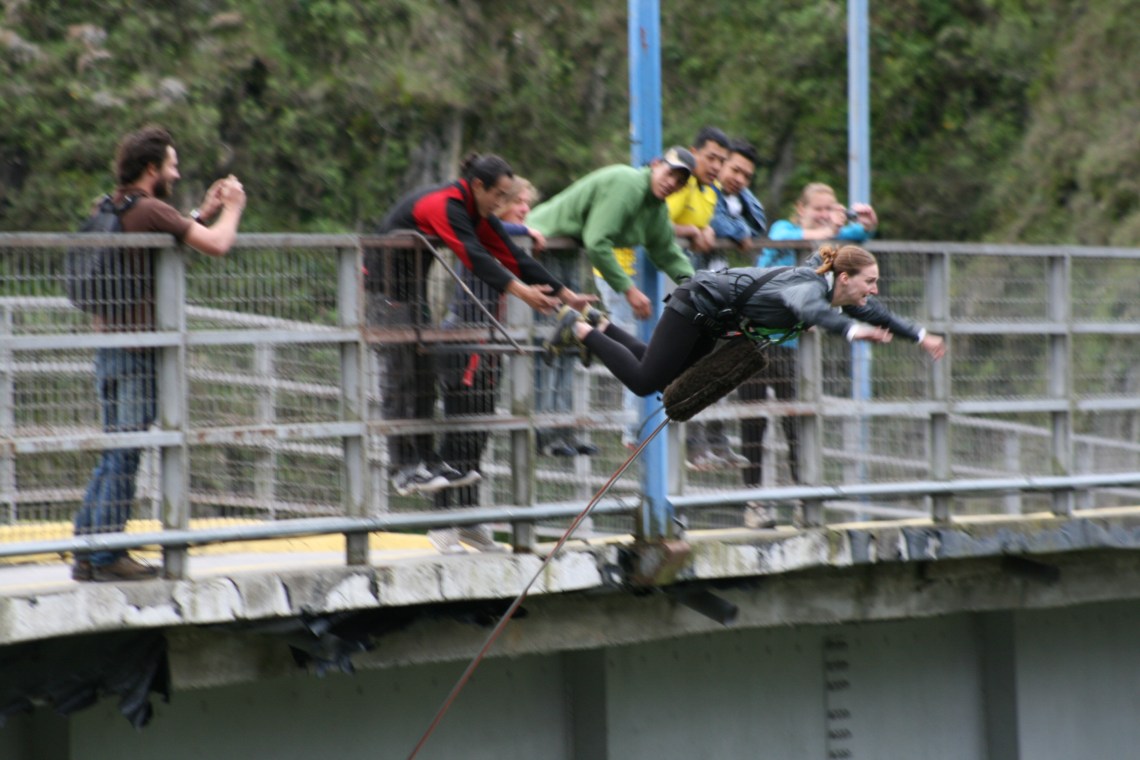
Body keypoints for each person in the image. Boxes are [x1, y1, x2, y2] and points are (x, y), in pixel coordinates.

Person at [72, 125, 247, 582]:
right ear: (151, 169)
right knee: (126, 452)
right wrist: (231, 209)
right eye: (171, 164)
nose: (177, 170)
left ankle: (86, 549)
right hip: (138, 352)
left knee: (115, 449)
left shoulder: (109, 206)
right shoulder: (150, 209)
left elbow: (167, 233)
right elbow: (217, 244)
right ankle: (108, 555)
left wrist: (199, 212)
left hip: (107, 347)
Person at [365, 153, 593, 500]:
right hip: (383, 292)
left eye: (508, 197)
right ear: (477, 186)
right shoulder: (447, 205)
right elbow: (475, 256)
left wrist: (566, 295)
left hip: (412, 293)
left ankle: (426, 459)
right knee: (402, 378)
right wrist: (522, 292)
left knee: (424, 379)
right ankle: (404, 468)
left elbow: (514, 256)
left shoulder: (476, 211)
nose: (502, 203)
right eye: (499, 195)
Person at [544, 243, 944, 409]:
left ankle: (599, 325)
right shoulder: (808, 287)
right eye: (869, 282)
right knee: (646, 382)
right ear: (844, 278)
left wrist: (921, 337)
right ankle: (577, 329)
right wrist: (852, 333)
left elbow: (880, 315)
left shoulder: (835, 295)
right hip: (696, 304)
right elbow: (807, 311)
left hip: (710, 321)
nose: (873, 291)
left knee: (663, 376)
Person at [740, 183, 879, 526]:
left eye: (829, 207)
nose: (823, 213)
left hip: (791, 348)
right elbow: (800, 237)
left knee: (797, 424)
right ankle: (755, 504)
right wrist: (830, 227)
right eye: (817, 207)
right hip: (755, 340)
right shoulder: (784, 230)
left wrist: (865, 226)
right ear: (800, 209)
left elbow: (855, 237)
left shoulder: (828, 238)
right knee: (753, 422)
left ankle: (805, 500)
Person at [664, 127, 744, 471]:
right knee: (687, 364)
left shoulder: (709, 193)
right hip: (675, 290)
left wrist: (709, 230)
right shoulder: (681, 185)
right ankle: (693, 446)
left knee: (715, 361)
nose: (716, 165)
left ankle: (714, 443)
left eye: (721, 160)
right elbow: (659, 221)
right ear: (693, 153)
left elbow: (736, 226)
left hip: (703, 289)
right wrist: (693, 231)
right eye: (711, 157)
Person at [499, 178, 597, 458]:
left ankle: (563, 429)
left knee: (566, 353)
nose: (525, 208)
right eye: (518, 202)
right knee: (542, 361)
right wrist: (524, 230)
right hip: (509, 314)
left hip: (544, 302)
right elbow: (488, 228)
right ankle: (542, 433)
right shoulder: (498, 229)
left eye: (527, 203)